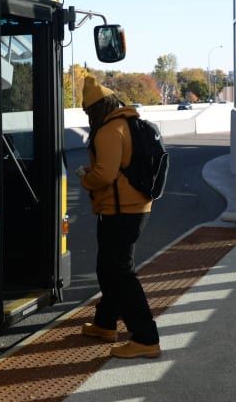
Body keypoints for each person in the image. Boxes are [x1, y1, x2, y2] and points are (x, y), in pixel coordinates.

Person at [76, 75, 161, 359]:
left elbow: (105, 175)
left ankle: (145, 337)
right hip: (131, 207)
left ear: (95, 109)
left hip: (121, 210)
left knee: (121, 273)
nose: (88, 117)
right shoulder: (127, 122)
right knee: (107, 268)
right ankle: (105, 323)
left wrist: (85, 178)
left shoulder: (109, 131)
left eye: (88, 111)